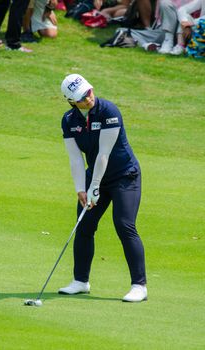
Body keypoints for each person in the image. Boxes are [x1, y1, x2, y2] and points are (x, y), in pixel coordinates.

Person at [59, 74, 147, 302]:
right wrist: (81, 188)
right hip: (95, 176)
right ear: (71, 101)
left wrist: (95, 186)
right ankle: (80, 281)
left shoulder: (109, 112)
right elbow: (76, 159)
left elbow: (103, 154)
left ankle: (139, 286)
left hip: (124, 176)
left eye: (88, 92)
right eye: (81, 97)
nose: (88, 98)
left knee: (124, 224)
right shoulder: (69, 120)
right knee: (84, 224)